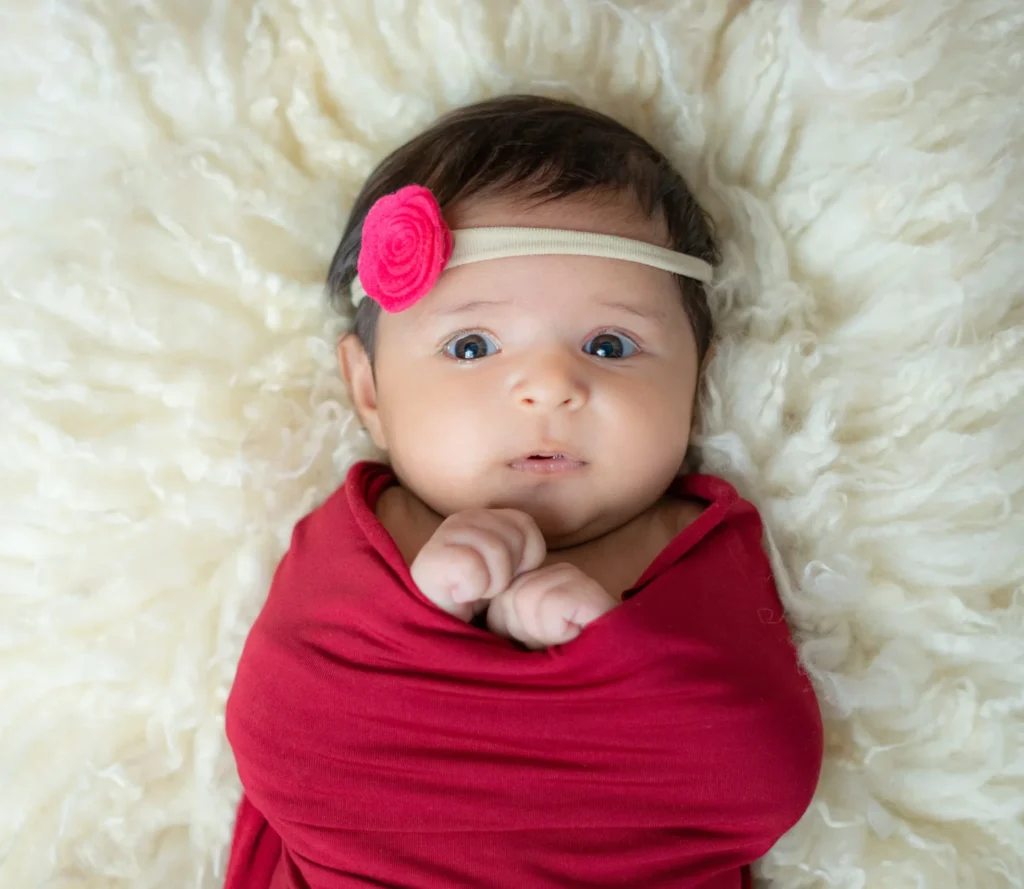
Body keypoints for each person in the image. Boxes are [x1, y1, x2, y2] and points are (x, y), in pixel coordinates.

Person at [224, 94, 823, 889]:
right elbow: (279, 745)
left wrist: (618, 653)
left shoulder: (696, 542)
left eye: (610, 344)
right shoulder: (371, 528)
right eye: (471, 345)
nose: (550, 385)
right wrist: (424, 613)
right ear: (369, 390)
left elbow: (762, 783)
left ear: (697, 380)